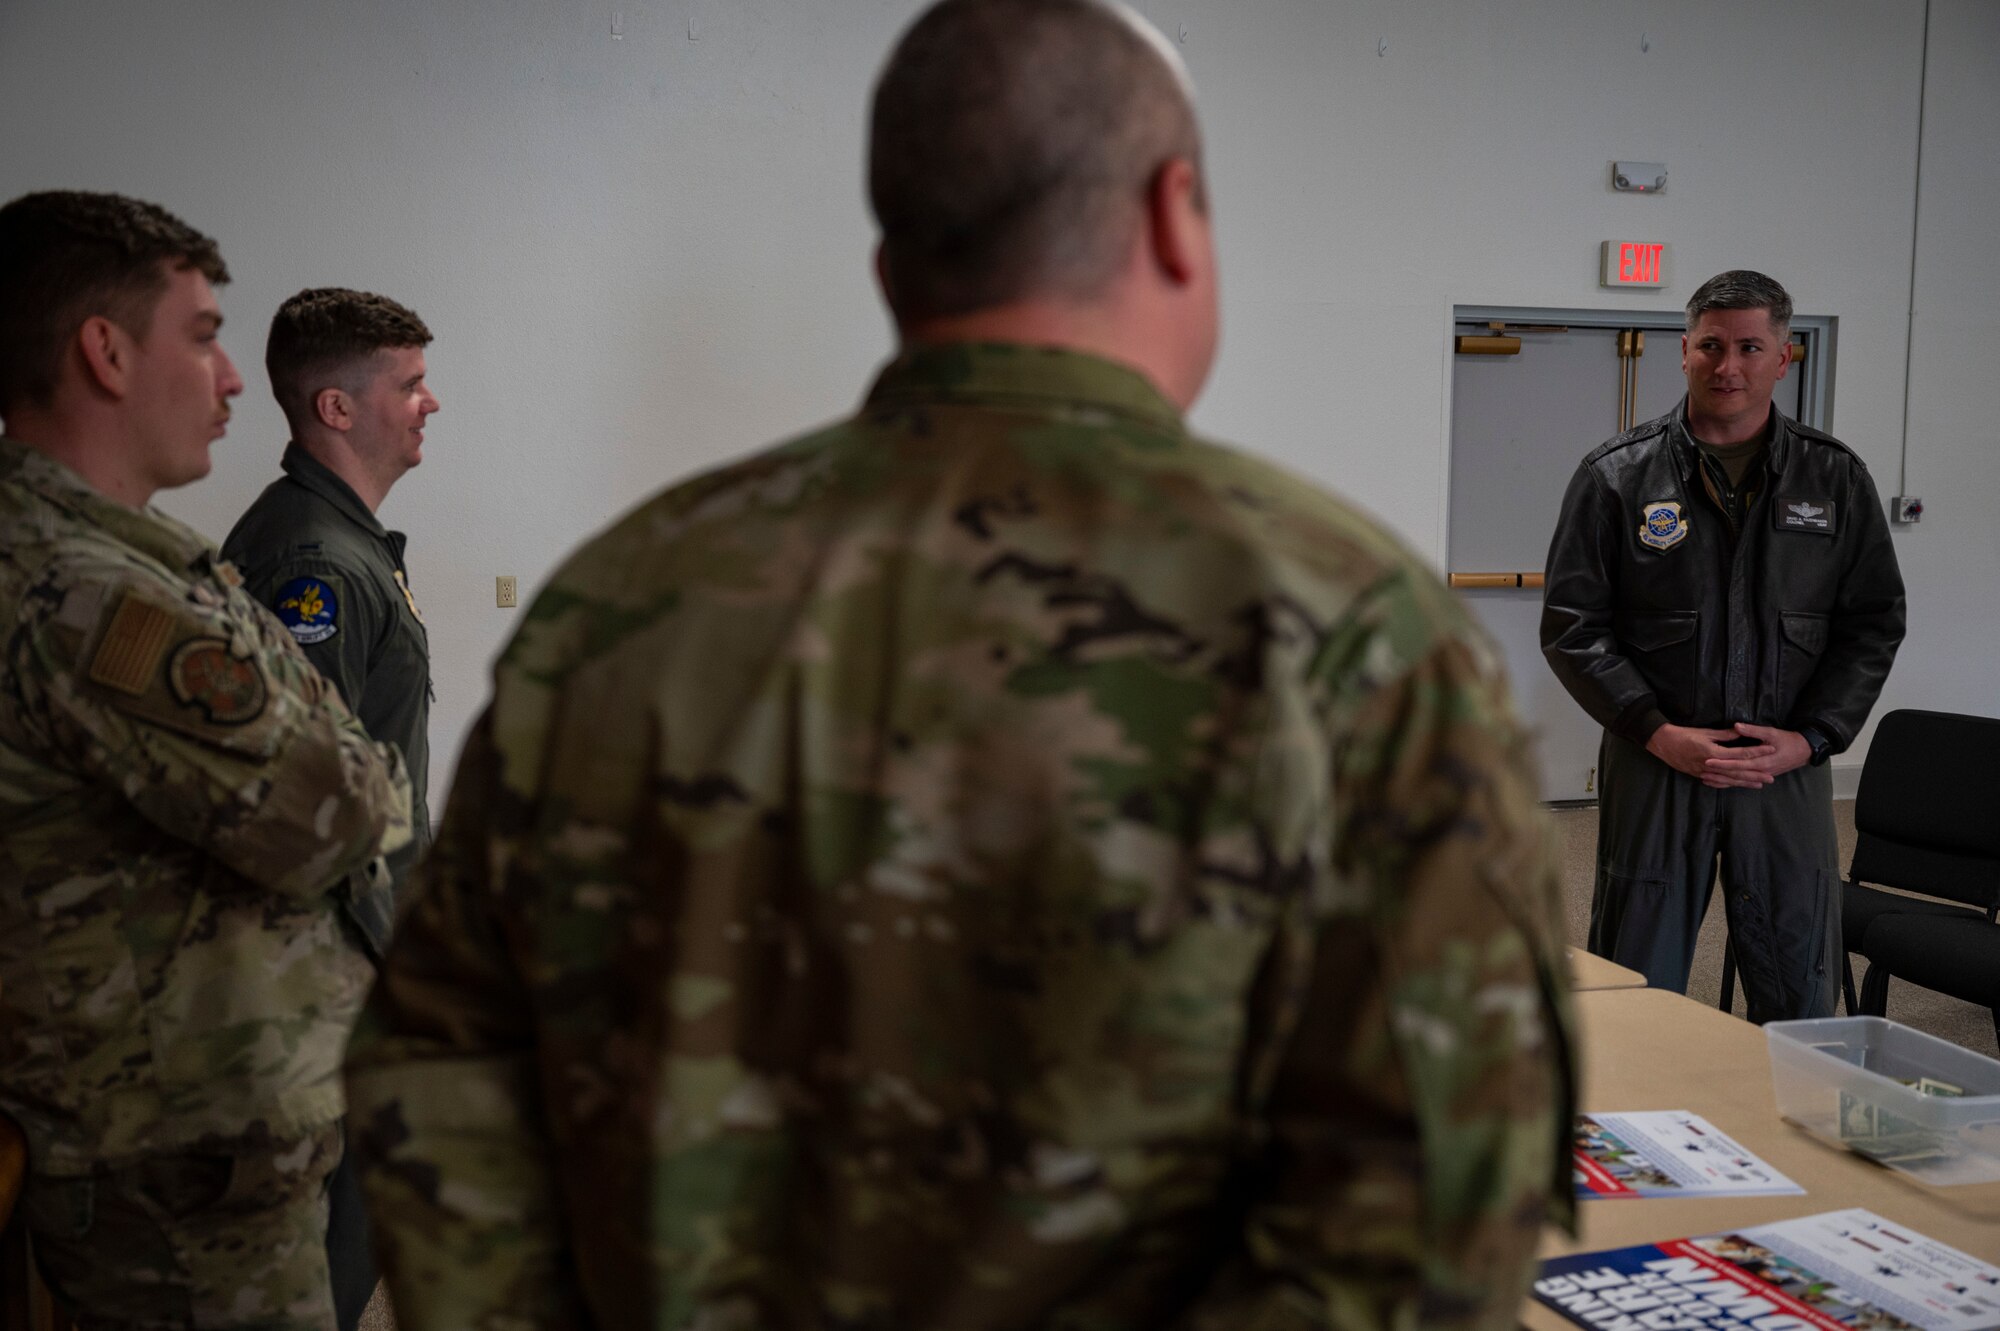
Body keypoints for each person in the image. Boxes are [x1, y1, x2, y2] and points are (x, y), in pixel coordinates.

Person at [344, 3, 1575, 1328]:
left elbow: (443, 1057)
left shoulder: (619, 599)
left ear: (893, 266)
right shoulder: (1354, 628)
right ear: (1173, 214)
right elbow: (1433, 1204)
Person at [0, 191, 412, 1328]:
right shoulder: (85, 593)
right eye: (202, 334)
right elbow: (339, 805)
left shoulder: (129, 556)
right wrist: (359, 780)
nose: (234, 378)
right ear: (106, 352)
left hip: (192, 1138)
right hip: (180, 1168)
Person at [1542, 269, 1906, 1023]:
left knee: (1798, 977)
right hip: (1658, 759)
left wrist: (1811, 739)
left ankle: (1782, 1136)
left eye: (1749, 346)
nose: (1728, 365)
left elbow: (1872, 623)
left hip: (1784, 765)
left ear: (1784, 357)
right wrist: (1655, 730)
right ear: (1683, 351)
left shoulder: (1835, 478)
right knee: (1631, 979)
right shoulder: (1616, 476)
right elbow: (1574, 625)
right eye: (1711, 345)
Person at [221, 287, 440, 1331]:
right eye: (408, 382)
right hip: (329, 977)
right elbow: (299, 803)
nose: (430, 402)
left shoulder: (341, 544)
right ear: (334, 407)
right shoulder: (314, 565)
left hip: (359, 956)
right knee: (326, 1253)